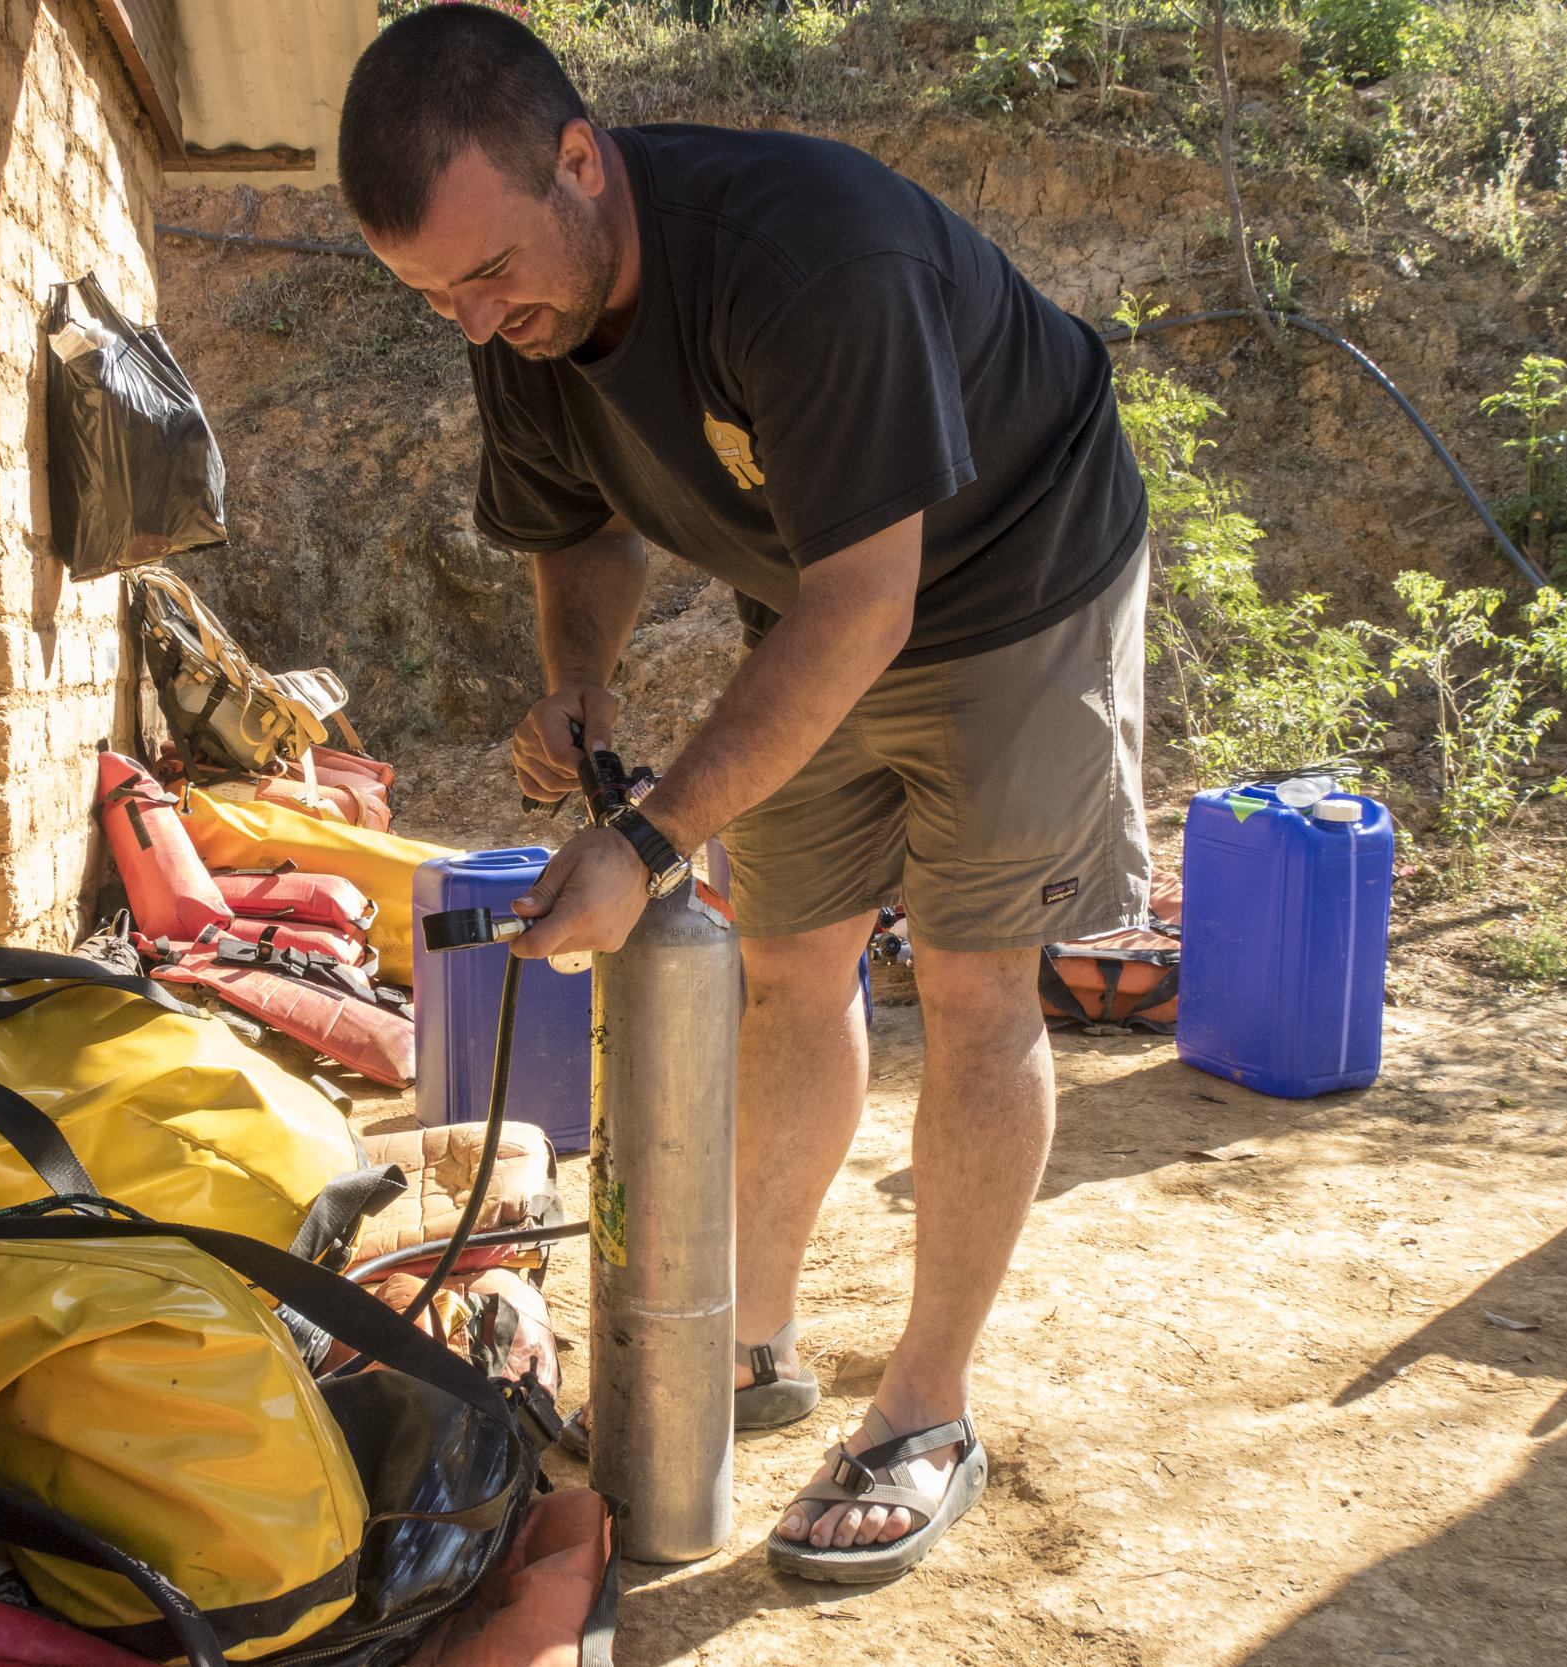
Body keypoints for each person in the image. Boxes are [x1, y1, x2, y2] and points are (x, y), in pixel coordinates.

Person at [339, 5, 1150, 1582]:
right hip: (822, 597)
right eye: (434, 293)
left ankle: (924, 1411)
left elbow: (872, 607)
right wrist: (577, 682)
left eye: (486, 271)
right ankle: (750, 1338)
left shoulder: (805, 259)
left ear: (581, 160)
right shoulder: (519, 315)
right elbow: (583, 529)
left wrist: (645, 840)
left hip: (1015, 583)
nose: (471, 317)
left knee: (978, 989)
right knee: (788, 964)